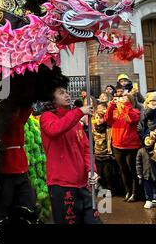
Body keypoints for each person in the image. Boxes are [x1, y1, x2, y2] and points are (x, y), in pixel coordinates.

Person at [40, 86, 101, 224]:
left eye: (67, 92)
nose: (67, 95)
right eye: (61, 93)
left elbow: (86, 148)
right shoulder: (47, 117)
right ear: (52, 99)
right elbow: (55, 129)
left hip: (83, 184)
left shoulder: (75, 121)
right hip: (62, 185)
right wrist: (79, 112)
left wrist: (92, 170)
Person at [105, 94, 141, 202]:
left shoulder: (134, 111)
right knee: (123, 170)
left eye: (125, 99)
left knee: (132, 170)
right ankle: (128, 191)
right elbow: (107, 118)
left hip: (131, 146)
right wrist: (111, 104)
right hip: (117, 146)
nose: (121, 101)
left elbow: (133, 119)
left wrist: (126, 105)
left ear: (130, 101)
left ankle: (135, 193)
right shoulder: (115, 113)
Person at [92, 103, 116, 193]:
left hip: (106, 155)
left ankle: (110, 189)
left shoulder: (108, 128)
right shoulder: (93, 129)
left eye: (100, 118)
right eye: (97, 118)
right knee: (100, 174)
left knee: (108, 174)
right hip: (98, 154)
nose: (98, 120)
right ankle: (103, 188)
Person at [136, 132, 156, 208]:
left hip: (154, 174)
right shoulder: (141, 151)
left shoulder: (154, 150)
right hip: (145, 174)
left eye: (150, 139)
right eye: (146, 139)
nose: (148, 141)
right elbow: (138, 164)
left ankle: (154, 200)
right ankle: (148, 200)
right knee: (147, 188)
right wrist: (139, 174)